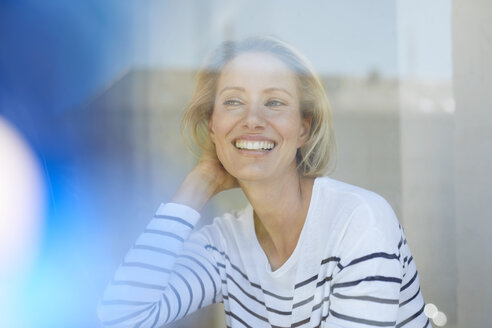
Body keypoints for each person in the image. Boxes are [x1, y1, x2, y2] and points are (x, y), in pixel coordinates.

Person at [98, 36, 430, 328]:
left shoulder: (358, 222)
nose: (253, 120)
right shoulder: (225, 245)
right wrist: (199, 183)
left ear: (303, 129)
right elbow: (121, 317)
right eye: (233, 102)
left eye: (274, 102)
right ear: (212, 127)